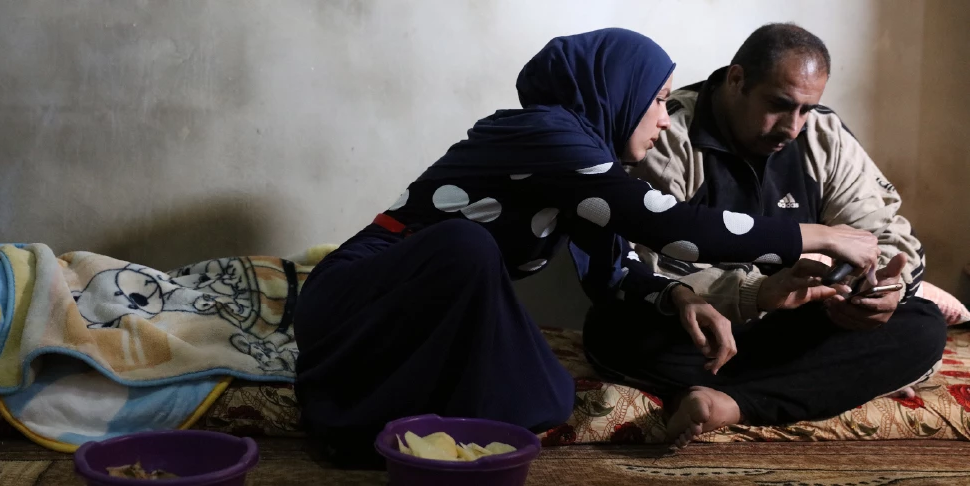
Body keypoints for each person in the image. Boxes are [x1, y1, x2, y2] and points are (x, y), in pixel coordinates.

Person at [293, 28, 880, 466]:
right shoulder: (545, 135)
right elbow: (676, 227)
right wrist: (817, 234)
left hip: (411, 311)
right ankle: (352, 423)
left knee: (545, 397)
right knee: (465, 248)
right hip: (352, 298)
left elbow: (616, 266)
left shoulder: (583, 165)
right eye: (656, 100)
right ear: (615, 92)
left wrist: (679, 298)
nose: (666, 122)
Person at [576, 23, 947, 447]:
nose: (792, 127)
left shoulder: (823, 135)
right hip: (699, 332)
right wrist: (757, 293)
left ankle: (731, 403)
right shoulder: (667, 131)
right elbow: (644, 261)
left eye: (806, 109)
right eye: (779, 105)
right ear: (737, 79)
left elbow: (883, 231)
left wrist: (880, 288)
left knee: (922, 326)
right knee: (614, 331)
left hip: (787, 331)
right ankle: (804, 386)